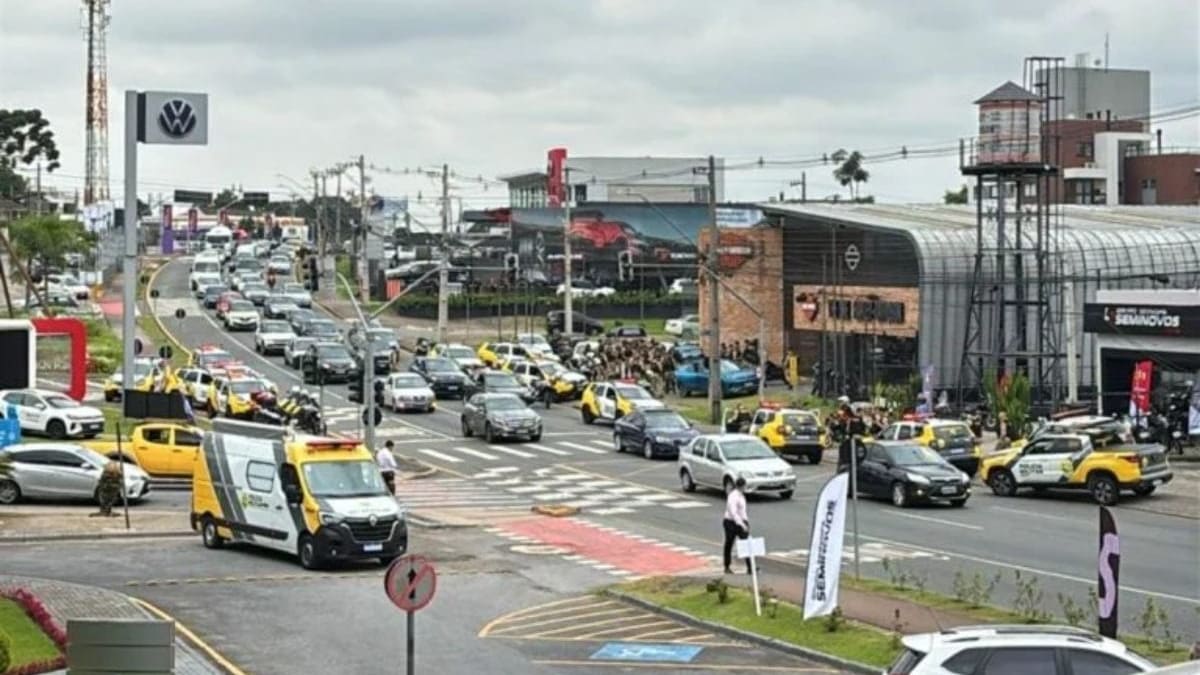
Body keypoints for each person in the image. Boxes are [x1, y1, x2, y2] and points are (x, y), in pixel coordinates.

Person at [722, 477, 753, 575]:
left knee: (746, 543)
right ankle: (727, 566)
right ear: (741, 486)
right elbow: (733, 512)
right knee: (729, 544)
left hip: (740, 521)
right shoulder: (733, 496)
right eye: (744, 486)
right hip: (730, 522)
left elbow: (743, 512)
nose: (745, 488)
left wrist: (746, 522)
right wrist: (741, 524)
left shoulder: (741, 496)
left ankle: (750, 567)